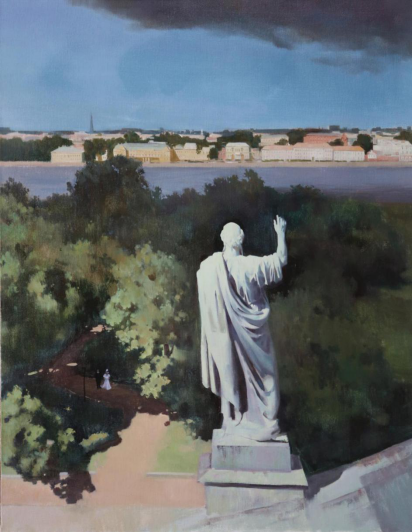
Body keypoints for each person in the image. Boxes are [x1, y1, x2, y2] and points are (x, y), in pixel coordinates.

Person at [197, 217, 288, 442]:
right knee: (267, 374)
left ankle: (234, 418)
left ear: (224, 241)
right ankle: (268, 421)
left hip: (228, 335)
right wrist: (280, 233)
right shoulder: (249, 265)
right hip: (255, 334)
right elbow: (281, 259)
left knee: (233, 370)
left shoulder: (209, 268)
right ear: (240, 240)